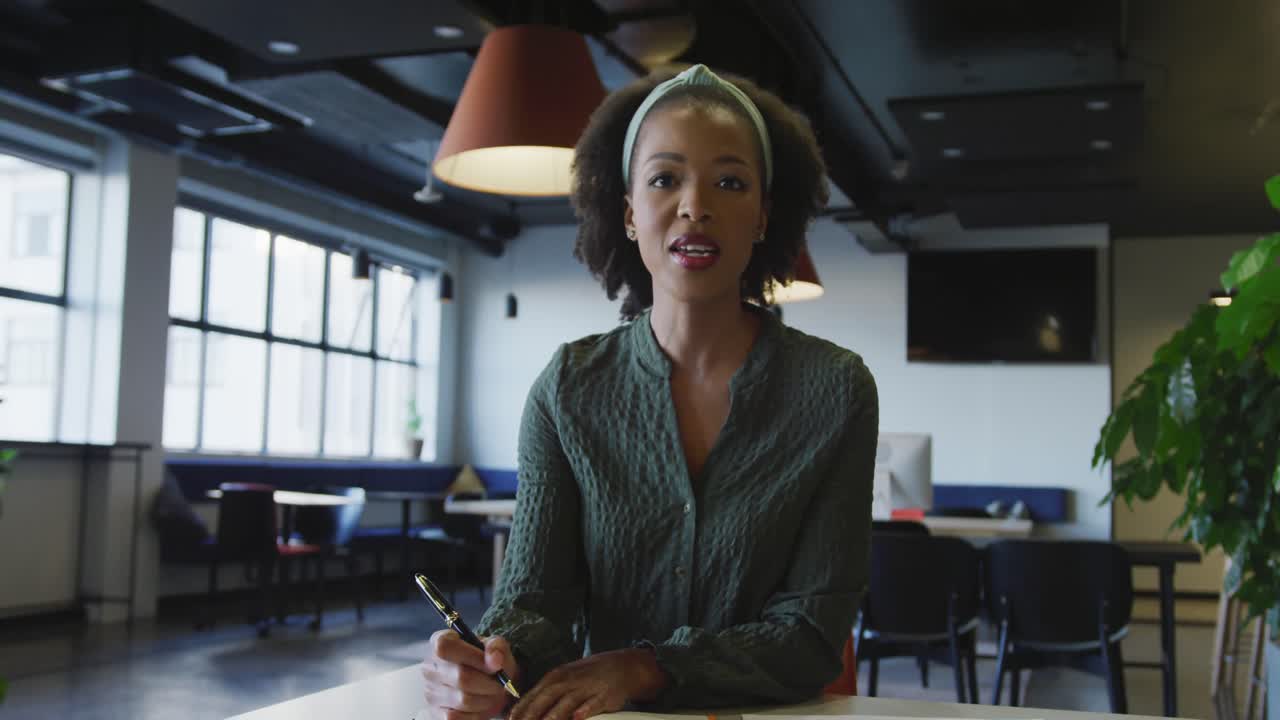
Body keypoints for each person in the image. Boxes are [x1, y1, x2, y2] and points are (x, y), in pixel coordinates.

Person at [420, 63, 878, 720]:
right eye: (665, 179)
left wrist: (645, 668)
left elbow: (810, 636)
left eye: (730, 181)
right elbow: (532, 604)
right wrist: (494, 660)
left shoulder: (836, 390)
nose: (696, 205)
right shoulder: (568, 389)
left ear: (762, 216)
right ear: (631, 214)